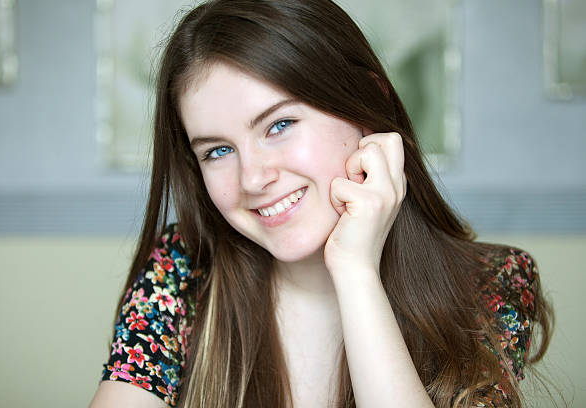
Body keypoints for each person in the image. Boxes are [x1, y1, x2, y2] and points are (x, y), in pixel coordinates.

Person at [89, 0, 553, 407]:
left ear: (366, 102)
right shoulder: (181, 269)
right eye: (218, 151)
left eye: (279, 125)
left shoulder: (493, 283)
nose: (252, 179)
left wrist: (355, 272)